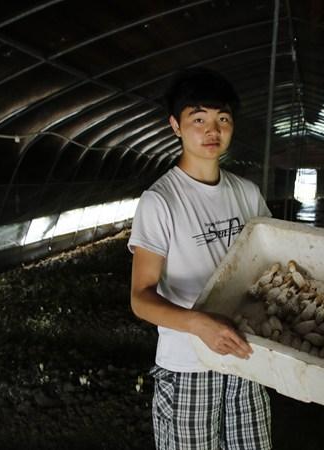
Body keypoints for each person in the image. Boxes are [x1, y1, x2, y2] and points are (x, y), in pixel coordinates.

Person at [128, 67, 272, 450]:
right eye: (199, 119)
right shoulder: (160, 201)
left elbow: (269, 267)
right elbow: (140, 297)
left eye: (222, 119)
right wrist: (198, 324)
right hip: (189, 365)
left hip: (245, 357)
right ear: (175, 125)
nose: (213, 130)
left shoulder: (247, 194)